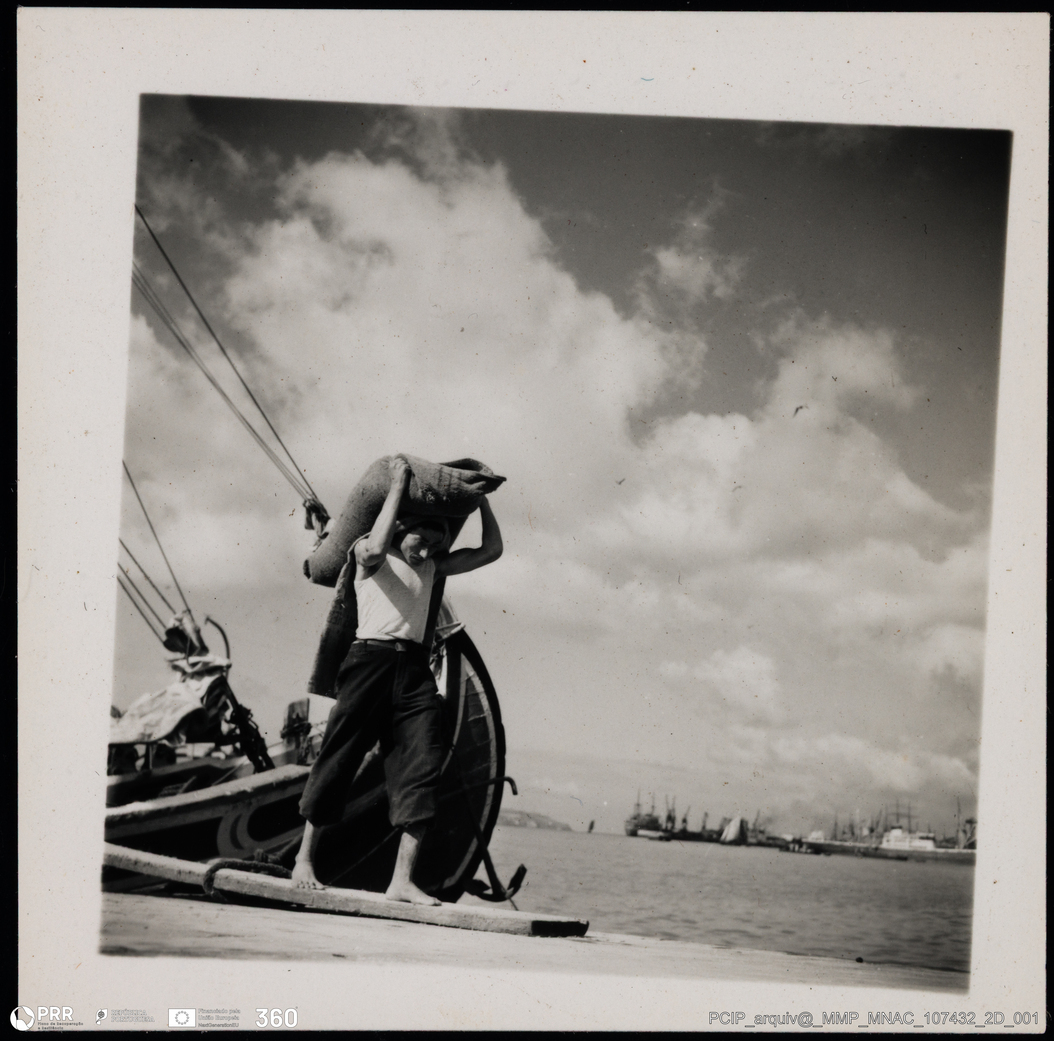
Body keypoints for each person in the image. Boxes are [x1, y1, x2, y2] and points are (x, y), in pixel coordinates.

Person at [291, 455, 503, 904]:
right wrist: (398, 488)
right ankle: (303, 860)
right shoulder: (368, 554)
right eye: (420, 540)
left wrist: (479, 502)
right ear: (401, 529)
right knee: (339, 756)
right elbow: (374, 546)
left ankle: (401, 881)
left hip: (414, 671)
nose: (425, 550)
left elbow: (491, 552)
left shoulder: (433, 567)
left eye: (435, 542)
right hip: (369, 662)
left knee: (422, 765)